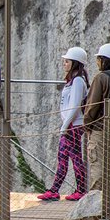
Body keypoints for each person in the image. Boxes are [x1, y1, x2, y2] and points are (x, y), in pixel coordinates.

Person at [38, 47, 89, 201]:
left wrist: (65, 126)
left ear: (74, 63)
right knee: (63, 157)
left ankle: (80, 189)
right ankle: (55, 190)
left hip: (73, 125)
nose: (64, 64)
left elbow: (74, 107)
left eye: (67, 61)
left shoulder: (78, 81)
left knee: (74, 157)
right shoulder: (74, 81)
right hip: (70, 125)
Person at [83, 43, 110, 191]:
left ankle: (97, 206)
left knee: (98, 166)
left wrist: (87, 125)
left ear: (104, 60)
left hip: (100, 129)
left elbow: (92, 105)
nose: (97, 62)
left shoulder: (101, 78)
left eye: (99, 58)